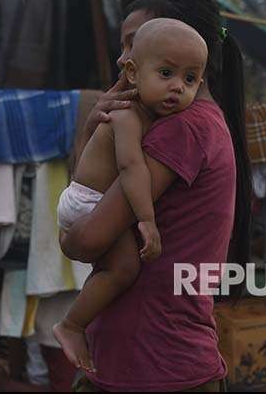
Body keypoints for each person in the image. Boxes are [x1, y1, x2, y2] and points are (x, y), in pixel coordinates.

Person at [60, 0, 252, 391]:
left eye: (134, 41)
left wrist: (65, 231)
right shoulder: (192, 123)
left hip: (152, 365)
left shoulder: (183, 129)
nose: (121, 60)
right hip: (144, 361)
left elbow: (87, 240)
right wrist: (94, 134)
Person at [53, 18, 209, 372]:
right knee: (124, 269)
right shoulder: (126, 116)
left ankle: (80, 322)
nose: (177, 88)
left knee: (114, 267)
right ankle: (71, 325)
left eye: (189, 79)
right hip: (87, 202)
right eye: (166, 73)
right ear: (134, 74)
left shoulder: (152, 115)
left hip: (87, 197)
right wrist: (147, 221)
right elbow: (131, 170)